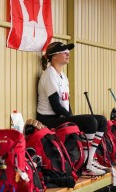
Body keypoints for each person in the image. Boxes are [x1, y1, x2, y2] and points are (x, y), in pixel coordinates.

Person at [36, 41, 109, 176]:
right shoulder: (49, 74)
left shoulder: (63, 76)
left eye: (68, 51)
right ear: (54, 56)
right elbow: (56, 106)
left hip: (60, 116)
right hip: (48, 120)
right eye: (64, 51)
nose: (67, 53)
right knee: (90, 122)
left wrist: (73, 118)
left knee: (102, 120)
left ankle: (89, 160)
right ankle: (85, 166)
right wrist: (72, 120)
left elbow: (66, 104)